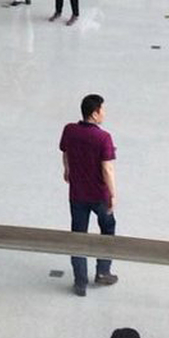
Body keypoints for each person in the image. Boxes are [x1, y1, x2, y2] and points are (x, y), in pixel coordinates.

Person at [59, 93, 117, 294]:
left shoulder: (70, 130)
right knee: (107, 230)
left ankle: (80, 282)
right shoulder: (103, 138)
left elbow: (65, 152)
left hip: (77, 194)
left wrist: (67, 170)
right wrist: (113, 194)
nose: (104, 113)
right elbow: (107, 169)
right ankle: (102, 272)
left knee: (78, 236)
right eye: (102, 109)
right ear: (94, 113)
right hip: (99, 195)